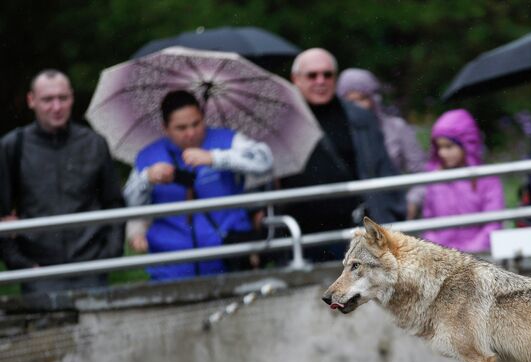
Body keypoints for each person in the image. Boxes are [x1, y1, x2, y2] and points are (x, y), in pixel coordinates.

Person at [123, 90, 273, 281]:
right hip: (171, 268)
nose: (191, 133)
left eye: (196, 123)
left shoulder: (227, 140)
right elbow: (129, 203)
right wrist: (147, 179)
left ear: (203, 118)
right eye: (181, 128)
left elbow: (265, 160)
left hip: (231, 262)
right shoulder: (148, 156)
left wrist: (216, 158)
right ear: (165, 128)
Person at [0, 69, 125, 294]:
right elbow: (3, 213)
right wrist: (20, 263)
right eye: (48, 99)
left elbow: (114, 202)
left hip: (91, 267)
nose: (56, 107)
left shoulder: (94, 143)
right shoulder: (12, 146)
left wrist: (109, 254)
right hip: (38, 271)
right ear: (32, 100)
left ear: (72, 98)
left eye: (62, 98)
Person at [284, 48, 405, 262]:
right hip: (301, 234)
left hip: (355, 229)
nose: (320, 81)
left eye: (327, 74)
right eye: (312, 75)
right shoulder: (282, 121)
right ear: (296, 79)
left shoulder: (360, 118)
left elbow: (383, 171)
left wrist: (391, 218)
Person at [336, 68, 426, 219]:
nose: (357, 106)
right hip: (353, 216)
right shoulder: (339, 134)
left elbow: (423, 172)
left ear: (373, 98)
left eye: (363, 98)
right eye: (351, 101)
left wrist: (411, 203)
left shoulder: (396, 127)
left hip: (392, 212)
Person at [421, 109, 504, 253]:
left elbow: (493, 224)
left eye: (449, 146)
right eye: (439, 147)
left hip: (481, 259)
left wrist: (470, 254)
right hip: (443, 261)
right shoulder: (435, 179)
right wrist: (439, 253)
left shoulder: (486, 179)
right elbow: (429, 223)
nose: (442, 153)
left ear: (467, 145)